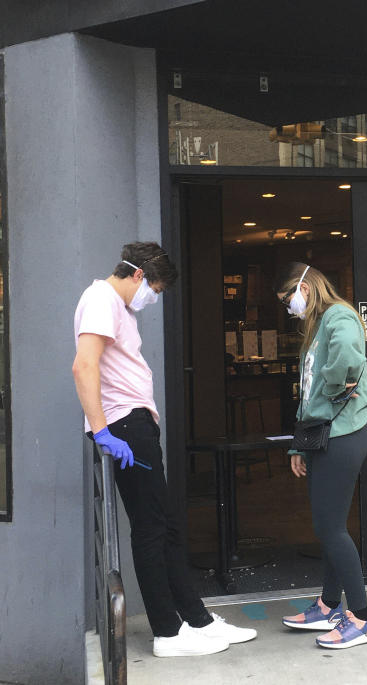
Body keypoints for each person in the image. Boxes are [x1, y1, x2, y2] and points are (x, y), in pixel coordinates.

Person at [72, 242, 257, 657]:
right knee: (152, 529)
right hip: (123, 427)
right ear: (138, 275)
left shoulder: (121, 308)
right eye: (155, 288)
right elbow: (83, 365)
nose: (154, 298)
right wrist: (102, 432)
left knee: (166, 524)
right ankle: (168, 633)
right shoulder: (101, 299)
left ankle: (196, 619)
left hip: (132, 425)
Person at [275, 262, 367, 649]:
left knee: (330, 529)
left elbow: (347, 365)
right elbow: (309, 394)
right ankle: (329, 605)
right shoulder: (320, 325)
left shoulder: (340, 316)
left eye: (289, 298)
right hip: (325, 436)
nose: (290, 306)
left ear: (305, 286)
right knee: (330, 526)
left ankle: (363, 618)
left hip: (343, 435)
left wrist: (333, 385)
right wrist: (297, 445)